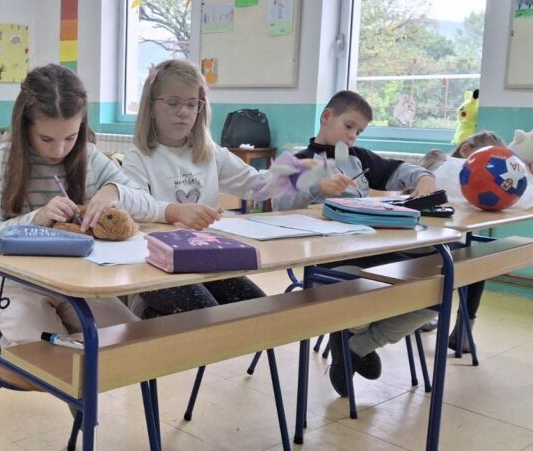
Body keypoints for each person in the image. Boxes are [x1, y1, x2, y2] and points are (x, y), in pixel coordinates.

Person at [0, 64, 163, 347]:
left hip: (81, 281)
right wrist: (37, 218)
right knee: (47, 356)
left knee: (133, 344)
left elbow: (148, 202)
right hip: (18, 285)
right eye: (46, 139)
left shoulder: (88, 156)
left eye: (70, 137)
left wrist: (114, 191)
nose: (59, 150)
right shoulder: (2, 159)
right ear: (25, 126)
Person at [274, 90, 439, 398]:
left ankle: (357, 343)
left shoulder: (359, 158)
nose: (352, 136)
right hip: (330, 260)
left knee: (439, 281)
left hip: (375, 249)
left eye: (359, 131)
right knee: (361, 287)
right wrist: (316, 186)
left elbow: (400, 170)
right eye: (348, 126)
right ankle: (354, 332)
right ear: (327, 116)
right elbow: (278, 206)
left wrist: (425, 177)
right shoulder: (297, 161)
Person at [121, 59, 267, 317]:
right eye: (173, 103)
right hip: (155, 265)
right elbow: (135, 206)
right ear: (151, 107)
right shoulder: (139, 157)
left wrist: (299, 175)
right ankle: (148, 316)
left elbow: (256, 185)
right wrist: (176, 211)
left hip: (206, 258)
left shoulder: (210, 153)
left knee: (259, 310)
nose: (184, 112)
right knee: (206, 315)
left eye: (192, 104)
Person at [419, 130, 505, 352]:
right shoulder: (440, 165)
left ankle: (463, 329)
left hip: (451, 242)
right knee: (468, 258)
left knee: (478, 258)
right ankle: (427, 314)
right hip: (423, 242)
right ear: (466, 150)